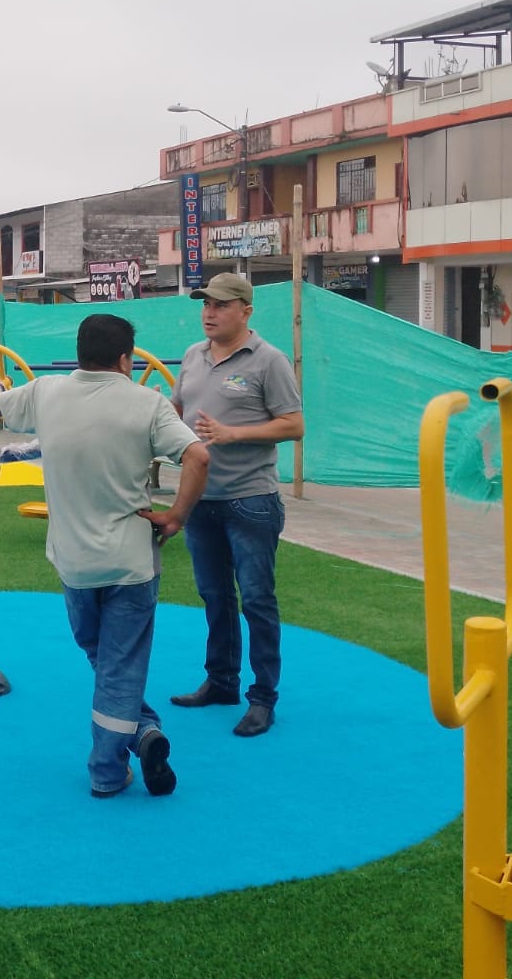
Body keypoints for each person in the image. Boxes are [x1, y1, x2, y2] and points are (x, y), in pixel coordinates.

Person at [0, 313, 208, 798]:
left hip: (75, 564)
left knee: (103, 656)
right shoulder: (148, 403)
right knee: (119, 664)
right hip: (131, 562)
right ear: (125, 359)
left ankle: (132, 743)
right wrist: (176, 516)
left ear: (79, 354)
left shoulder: (46, 392)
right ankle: (116, 760)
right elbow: (198, 456)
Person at [169, 272, 304, 738]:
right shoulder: (193, 356)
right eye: (205, 304)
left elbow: (294, 425)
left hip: (251, 499)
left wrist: (234, 434)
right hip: (200, 498)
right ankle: (222, 681)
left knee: (258, 599)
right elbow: (175, 411)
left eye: (220, 305)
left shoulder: (270, 360)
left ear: (246, 311)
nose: (209, 313)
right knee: (214, 595)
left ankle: (263, 698)